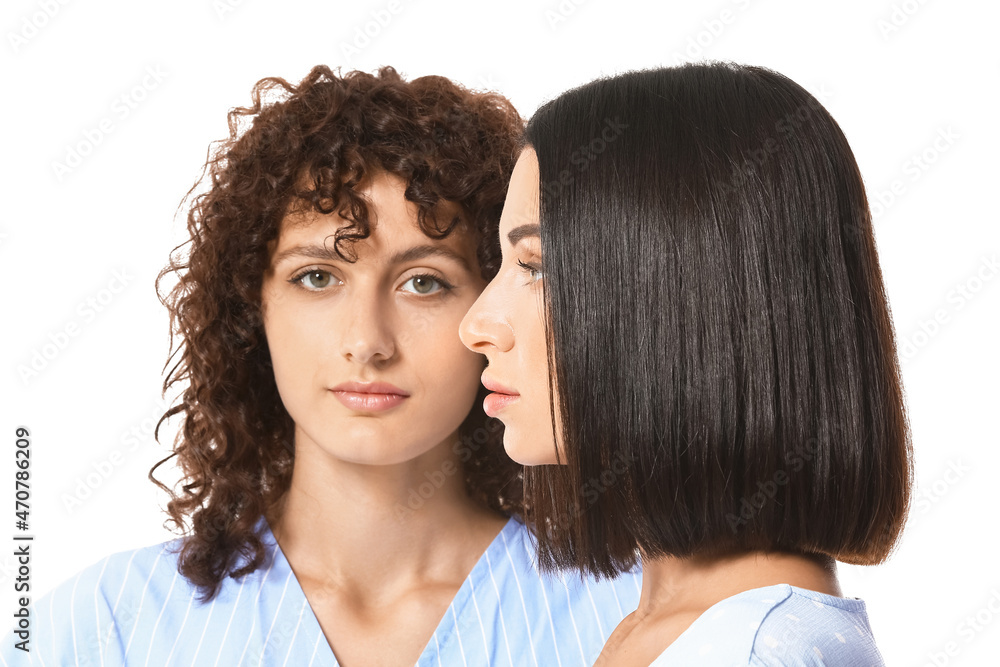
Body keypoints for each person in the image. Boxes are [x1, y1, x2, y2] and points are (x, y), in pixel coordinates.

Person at [1, 65, 640, 666]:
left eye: (423, 283)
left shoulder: (630, 618)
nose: (367, 342)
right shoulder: (105, 626)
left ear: (492, 303)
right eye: (316, 276)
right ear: (255, 309)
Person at [460, 62, 912, 666]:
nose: (476, 326)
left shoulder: (752, 652)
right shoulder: (679, 630)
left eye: (535, 266)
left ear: (684, 294)